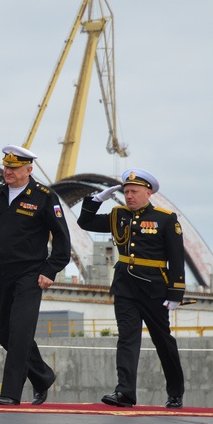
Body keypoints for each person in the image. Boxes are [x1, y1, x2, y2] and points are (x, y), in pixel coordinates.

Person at [0, 145, 71, 406]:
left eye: (14, 168)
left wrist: (50, 270)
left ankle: (11, 393)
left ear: (29, 170)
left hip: (30, 273)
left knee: (20, 332)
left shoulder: (44, 197)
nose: (8, 172)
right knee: (5, 334)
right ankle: (42, 376)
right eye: (6, 167)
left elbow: (63, 239)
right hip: (1, 271)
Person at [78, 169, 186, 408]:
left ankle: (175, 391)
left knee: (162, 341)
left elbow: (176, 258)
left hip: (154, 289)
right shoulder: (118, 215)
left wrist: (176, 292)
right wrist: (96, 201)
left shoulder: (165, 218)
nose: (129, 196)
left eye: (134, 191)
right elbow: (84, 222)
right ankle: (125, 393)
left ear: (148, 192)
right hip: (125, 287)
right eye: (126, 191)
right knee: (127, 339)